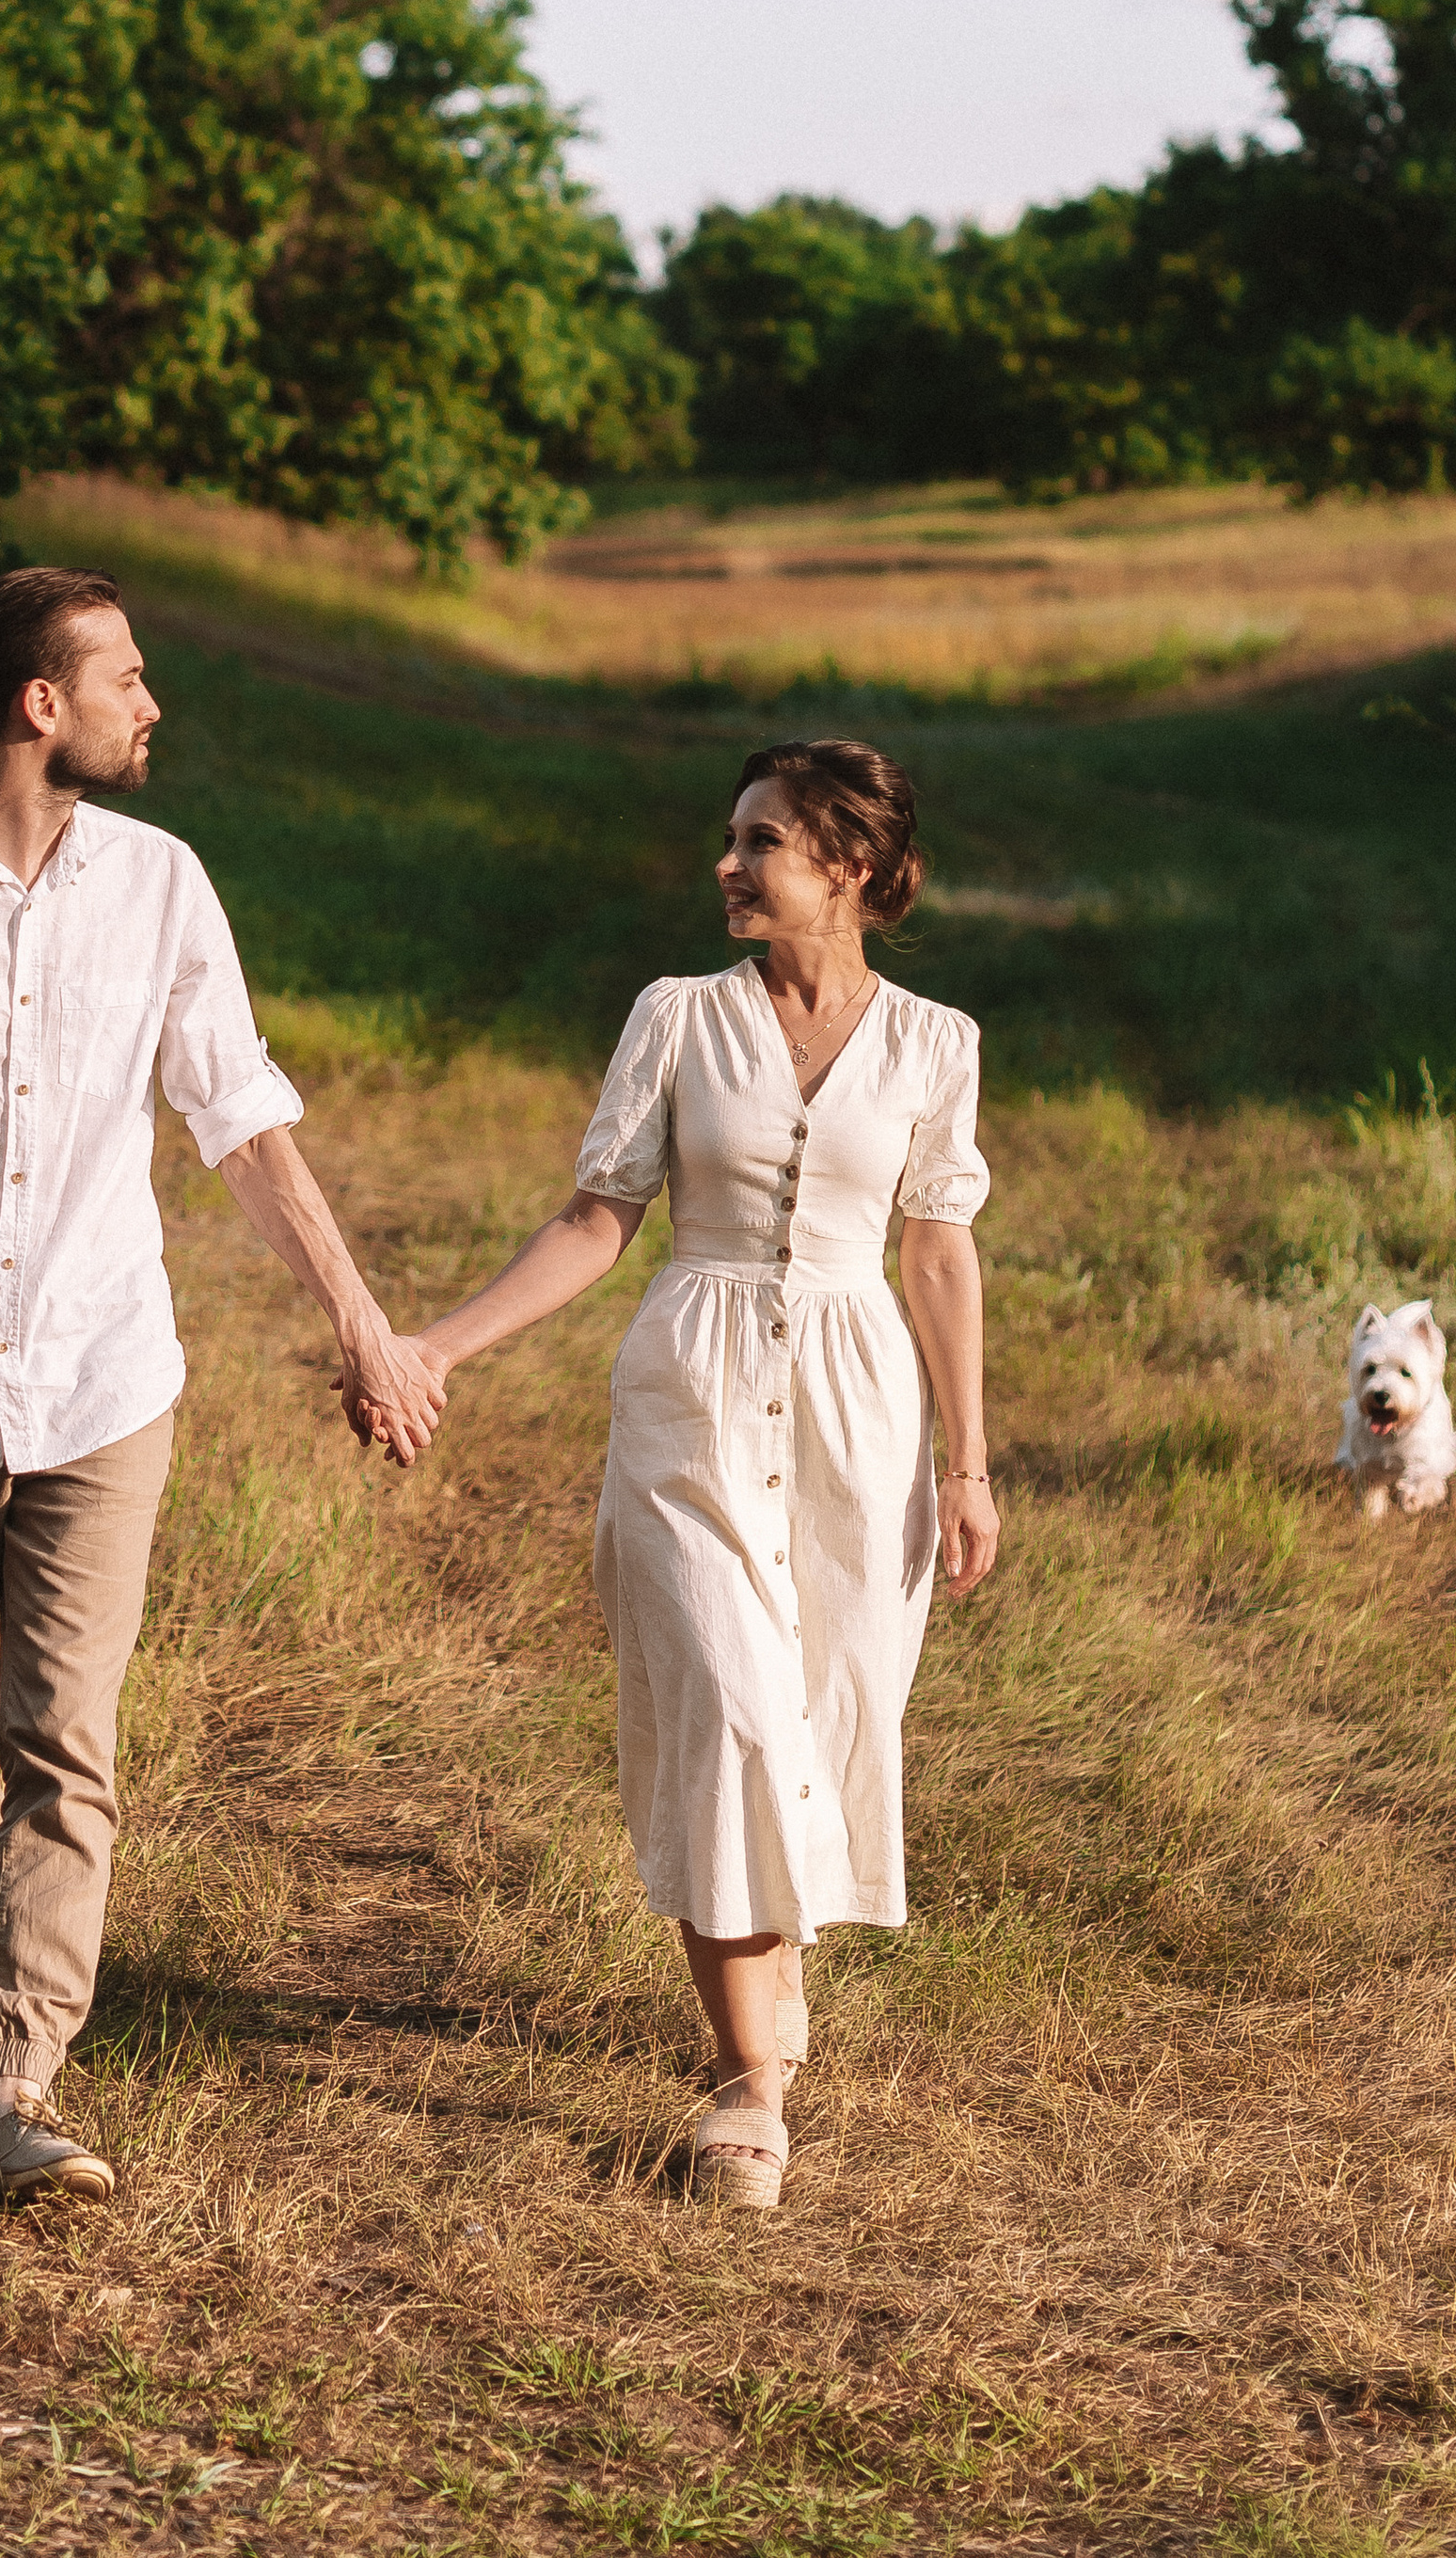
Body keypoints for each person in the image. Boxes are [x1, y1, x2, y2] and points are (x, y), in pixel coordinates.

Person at [0, 566, 439, 2201]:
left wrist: (361, 1321)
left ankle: (14, 2076)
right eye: (125, 675)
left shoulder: (162, 883)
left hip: (102, 1380)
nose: (153, 702)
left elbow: (241, 1116)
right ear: (36, 705)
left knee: (70, 1740)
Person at [392, 739, 999, 2212]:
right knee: (728, 1710)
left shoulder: (934, 1041)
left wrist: (970, 1462)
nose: (728, 864)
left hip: (863, 1413)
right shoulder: (676, 1017)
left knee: (829, 1710)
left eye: (762, 842)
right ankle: (748, 2087)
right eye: (733, 838)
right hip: (694, 1395)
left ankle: (763, 1988)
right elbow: (600, 1217)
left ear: (847, 866)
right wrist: (442, 1343)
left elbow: (935, 1246)